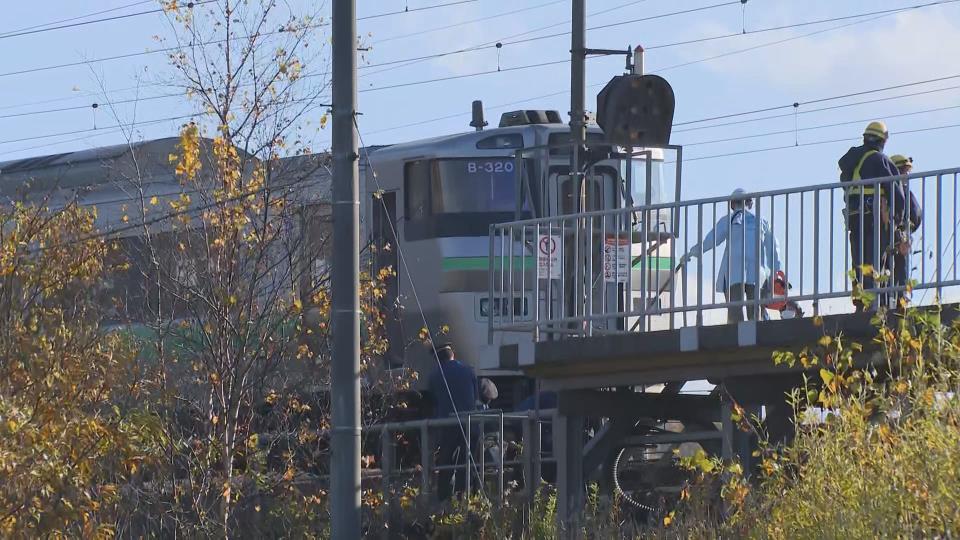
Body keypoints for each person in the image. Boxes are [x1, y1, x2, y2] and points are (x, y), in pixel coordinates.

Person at [680, 188, 782, 323]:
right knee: (755, 311)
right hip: (757, 273)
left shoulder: (729, 220)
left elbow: (711, 240)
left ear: (732, 204)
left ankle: (736, 333)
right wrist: (777, 270)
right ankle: (756, 330)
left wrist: (692, 252)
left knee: (735, 311)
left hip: (734, 272)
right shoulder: (761, 222)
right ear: (750, 204)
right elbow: (773, 247)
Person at [838, 122, 906, 311]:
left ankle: (860, 302)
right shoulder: (879, 160)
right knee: (876, 259)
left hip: (855, 218)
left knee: (858, 260)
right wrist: (898, 221)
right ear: (882, 140)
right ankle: (877, 304)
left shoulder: (851, 162)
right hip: (874, 219)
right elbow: (896, 192)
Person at [428, 343, 478, 501]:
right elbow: (475, 396)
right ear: (453, 354)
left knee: (446, 461)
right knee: (468, 460)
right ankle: (467, 495)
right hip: (470, 422)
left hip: (447, 423)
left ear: (437, 359)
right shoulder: (469, 370)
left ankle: (444, 498)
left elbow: (433, 399)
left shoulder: (435, 376)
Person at [889, 154, 923, 305]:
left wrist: (907, 231)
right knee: (894, 268)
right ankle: (898, 298)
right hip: (893, 234)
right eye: (904, 171)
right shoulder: (894, 192)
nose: (906, 175)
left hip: (900, 234)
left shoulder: (901, 192)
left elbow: (916, 216)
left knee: (900, 267)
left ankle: (900, 298)